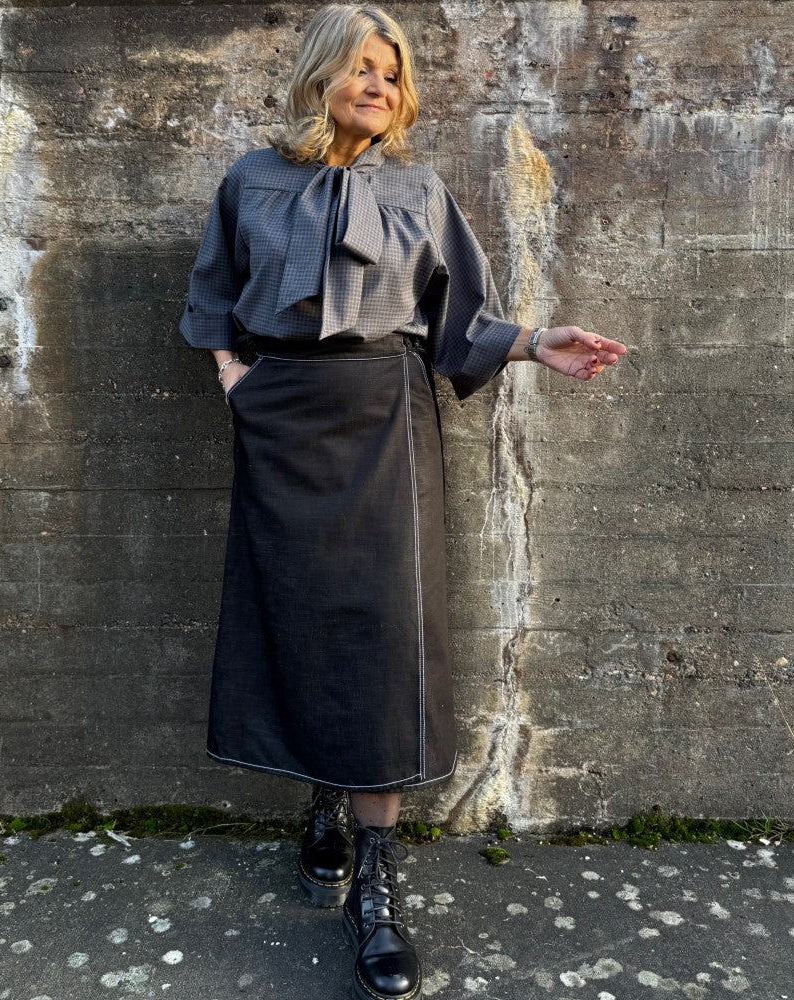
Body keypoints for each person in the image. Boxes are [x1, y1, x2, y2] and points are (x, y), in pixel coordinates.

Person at [178, 5, 627, 998]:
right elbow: (212, 293)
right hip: (280, 420)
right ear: (319, 75)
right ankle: (322, 807)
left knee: (382, 636)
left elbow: (459, 316)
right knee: (297, 619)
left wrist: (537, 343)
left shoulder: (419, 190)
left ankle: (376, 879)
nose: (379, 85)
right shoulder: (251, 180)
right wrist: (234, 382)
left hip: (384, 417)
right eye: (362, 67)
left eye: (392, 71)